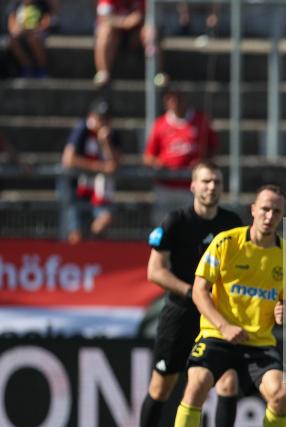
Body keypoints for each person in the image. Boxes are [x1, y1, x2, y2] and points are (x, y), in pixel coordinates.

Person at [151, 185, 286, 427]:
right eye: (266, 209)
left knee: (282, 394)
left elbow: (285, 300)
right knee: (195, 386)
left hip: (258, 342)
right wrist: (223, 325)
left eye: (277, 211)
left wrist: (285, 311)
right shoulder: (226, 242)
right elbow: (199, 290)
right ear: (253, 210)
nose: (270, 216)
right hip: (217, 335)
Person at [133, 162, 244, 427]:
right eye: (206, 181)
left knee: (228, 381)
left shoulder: (231, 223)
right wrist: (194, 292)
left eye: (217, 181)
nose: (212, 187)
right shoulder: (176, 221)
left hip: (216, 317)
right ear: (193, 186)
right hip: (180, 314)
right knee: (162, 384)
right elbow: (155, 270)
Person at [144, 87, 218, 226]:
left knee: (191, 227)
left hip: (190, 187)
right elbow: (148, 157)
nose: (175, 102)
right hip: (165, 187)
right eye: (171, 98)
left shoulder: (200, 120)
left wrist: (203, 163)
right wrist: (158, 163)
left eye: (178, 98)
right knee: (163, 228)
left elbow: (213, 147)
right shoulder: (160, 124)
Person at [60, 98, 121, 244]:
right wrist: (96, 167)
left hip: (100, 191)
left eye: (106, 119)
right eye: (100, 118)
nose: (103, 122)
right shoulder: (82, 129)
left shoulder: (112, 136)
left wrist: (105, 143)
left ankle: (91, 250)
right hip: (77, 190)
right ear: (92, 116)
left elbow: (114, 165)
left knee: (103, 222)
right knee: (76, 234)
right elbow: (68, 159)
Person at [94, 0, 167, 88]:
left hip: (136, 33)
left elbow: (149, 15)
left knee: (150, 32)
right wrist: (125, 22)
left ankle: (157, 73)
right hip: (115, 33)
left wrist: (137, 20)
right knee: (104, 31)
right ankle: (103, 73)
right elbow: (104, 18)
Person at [6, 0, 51, 78]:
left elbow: (47, 19)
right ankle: (27, 67)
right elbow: (11, 20)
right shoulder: (16, 4)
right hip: (21, 31)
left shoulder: (41, 3)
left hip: (37, 32)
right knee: (12, 40)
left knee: (33, 40)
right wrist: (14, 29)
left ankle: (42, 68)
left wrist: (38, 29)